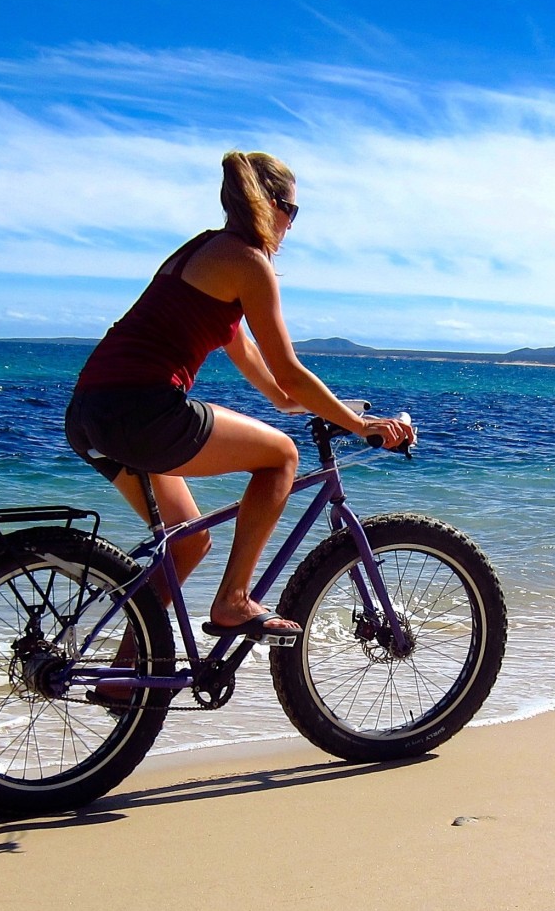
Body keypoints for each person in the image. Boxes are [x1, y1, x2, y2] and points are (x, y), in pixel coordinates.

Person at [64, 151, 415, 639]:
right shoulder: (248, 262)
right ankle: (232, 599)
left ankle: (129, 677)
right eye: (293, 211)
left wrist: (297, 402)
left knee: (187, 543)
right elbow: (289, 369)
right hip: (141, 408)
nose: (292, 225)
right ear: (271, 205)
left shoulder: (202, 250)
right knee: (281, 458)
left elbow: (251, 355)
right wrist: (361, 427)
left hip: (90, 412)